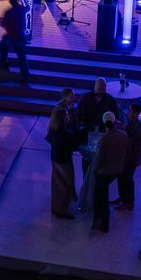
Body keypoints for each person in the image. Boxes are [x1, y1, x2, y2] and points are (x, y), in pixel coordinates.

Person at [91, 111, 130, 232]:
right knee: (103, 195)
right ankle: (103, 223)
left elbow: (98, 160)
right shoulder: (123, 135)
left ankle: (102, 223)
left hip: (104, 173)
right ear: (115, 121)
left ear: (104, 123)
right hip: (116, 171)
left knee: (100, 198)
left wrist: (95, 171)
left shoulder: (104, 140)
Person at [47, 89, 79, 219]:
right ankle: (59, 209)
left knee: (63, 179)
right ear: (66, 97)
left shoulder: (63, 109)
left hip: (60, 151)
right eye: (72, 96)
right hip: (61, 152)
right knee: (63, 180)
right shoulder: (61, 111)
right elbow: (64, 131)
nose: (74, 98)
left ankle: (61, 206)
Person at [111, 103, 141, 210]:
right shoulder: (133, 123)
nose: (127, 113)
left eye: (130, 111)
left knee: (127, 178)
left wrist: (120, 131)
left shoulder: (138, 126)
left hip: (131, 157)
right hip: (127, 155)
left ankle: (128, 202)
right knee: (122, 176)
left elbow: (131, 141)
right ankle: (123, 197)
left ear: (135, 113)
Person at [0, 0, 30, 87]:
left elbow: (4, 25)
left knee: (3, 45)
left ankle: (4, 64)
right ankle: (25, 77)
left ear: (10, 1)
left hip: (12, 37)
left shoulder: (8, 12)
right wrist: (24, 0)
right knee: (22, 58)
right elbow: (28, 7)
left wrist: (1, 22)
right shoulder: (22, 9)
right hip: (21, 37)